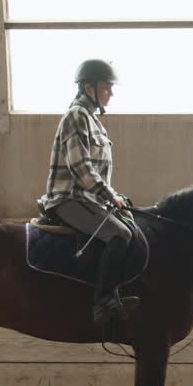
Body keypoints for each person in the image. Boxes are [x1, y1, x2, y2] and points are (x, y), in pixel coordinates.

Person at [37, 59, 140, 323]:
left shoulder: (93, 120)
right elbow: (80, 167)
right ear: (88, 87)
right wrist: (110, 195)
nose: (111, 93)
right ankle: (103, 302)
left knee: (132, 226)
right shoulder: (76, 117)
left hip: (89, 198)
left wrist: (111, 196)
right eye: (106, 87)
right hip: (69, 198)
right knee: (119, 234)